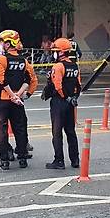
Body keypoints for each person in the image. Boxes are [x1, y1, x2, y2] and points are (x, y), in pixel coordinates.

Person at [0, 30, 37, 170]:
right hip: (17, 101)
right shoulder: (24, 61)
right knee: (20, 129)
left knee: (1, 130)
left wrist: (11, 95)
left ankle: (4, 160)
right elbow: (31, 80)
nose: (1, 45)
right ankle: (23, 158)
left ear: (8, 43)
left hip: (3, 100)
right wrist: (20, 95)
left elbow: (2, 80)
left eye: (2, 42)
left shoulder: (1, 60)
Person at [43, 37, 81, 170]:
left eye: (56, 50)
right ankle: (75, 160)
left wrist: (63, 96)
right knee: (71, 131)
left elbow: (57, 86)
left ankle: (59, 161)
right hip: (70, 102)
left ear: (62, 52)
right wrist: (73, 97)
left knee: (57, 132)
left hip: (59, 102)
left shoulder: (58, 66)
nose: (54, 53)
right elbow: (78, 85)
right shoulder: (75, 66)